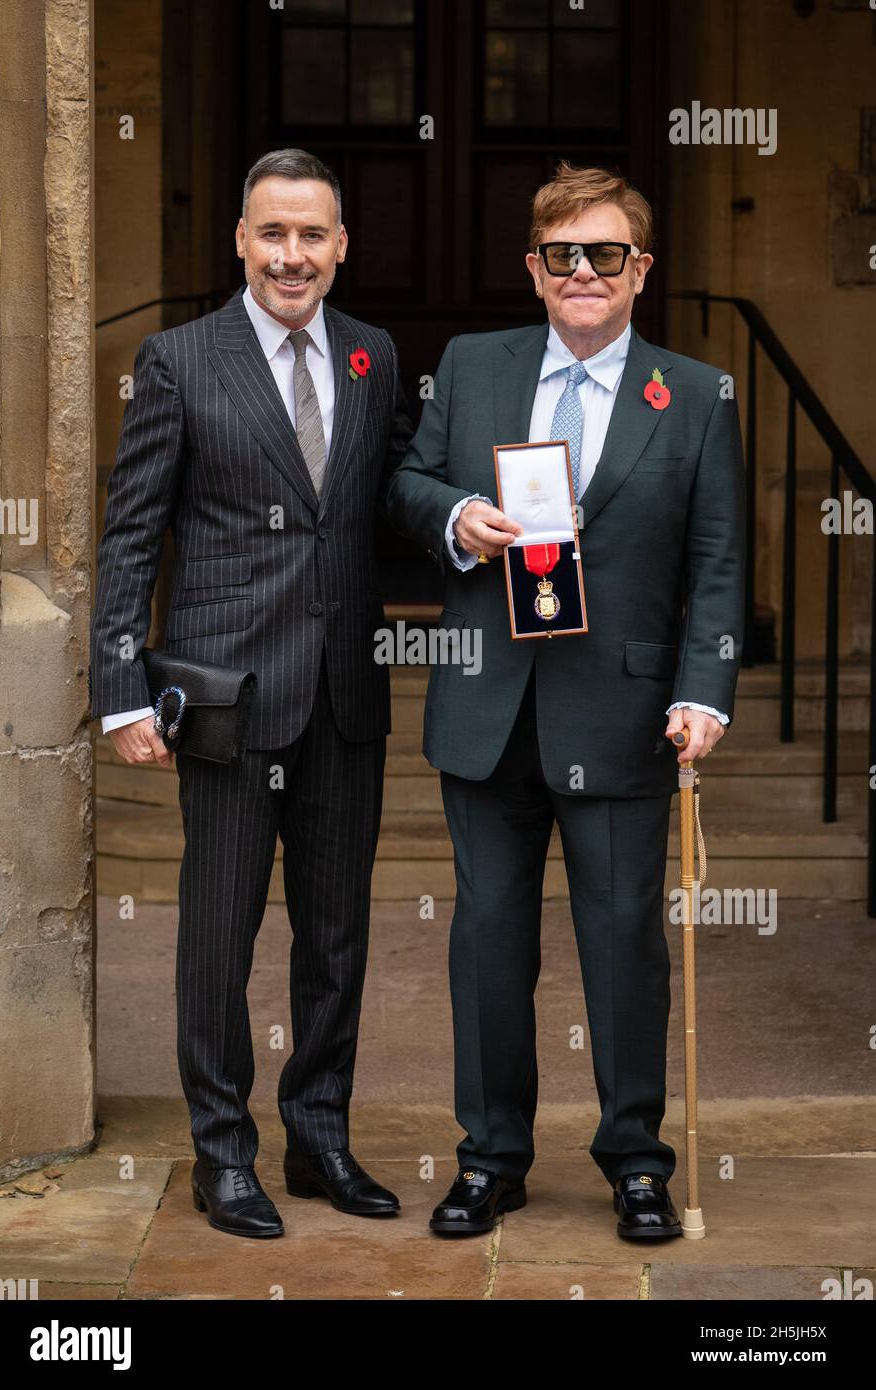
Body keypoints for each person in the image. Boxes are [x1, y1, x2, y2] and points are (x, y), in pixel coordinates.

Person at [385, 163, 745, 1239]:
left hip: (625, 714)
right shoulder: (468, 363)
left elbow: (718, 558)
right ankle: (490, 1157)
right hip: (487, 707)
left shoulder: (692, 393)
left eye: (602, 254)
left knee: (623, 939)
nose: (579, 272)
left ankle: (634, 1159)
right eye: (559, 255)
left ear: (640, 269)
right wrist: (457, 517)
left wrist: (703, 691)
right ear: (532, 269)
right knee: (488, 940)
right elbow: (403, 481)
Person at [90, 148, 412, 1239]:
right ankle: (222, 1153)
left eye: (311, 235)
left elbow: (393, 498)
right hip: (226, 699)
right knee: (217, 940)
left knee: (334, 938)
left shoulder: (371, 357)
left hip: (343, 700)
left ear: (339, 247)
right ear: (239, 239)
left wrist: (476, 525)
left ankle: (318, 1133)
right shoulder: (180, 360)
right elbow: (130, 535)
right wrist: (121, 689)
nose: (291, 255)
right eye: (271, 233)